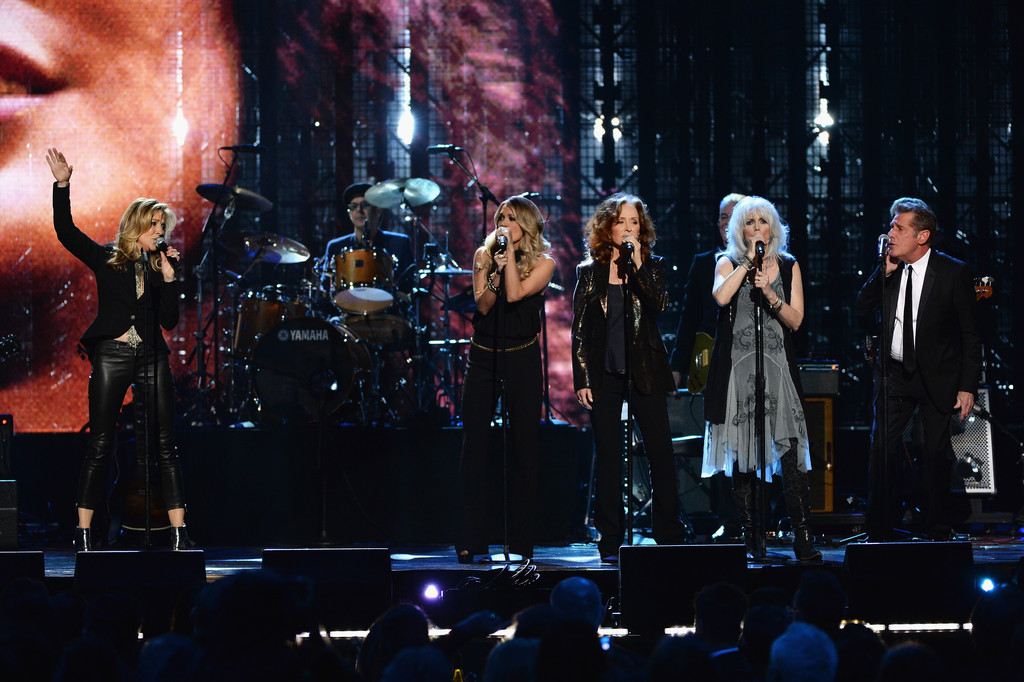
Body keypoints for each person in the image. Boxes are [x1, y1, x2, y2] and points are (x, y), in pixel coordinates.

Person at [47, 148, 189, 552]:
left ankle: (179, 533)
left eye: (163, 225)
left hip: (151, 356)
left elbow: (170, 321)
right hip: (112, 354)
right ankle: (84, 532)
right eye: (155, 224)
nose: (160, 231)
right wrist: (62, 185)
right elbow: (66, 232)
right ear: (137, 225)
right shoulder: (108, 258)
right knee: (101, 443)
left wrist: (169, 278)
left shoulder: (162, 266)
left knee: (165, 443)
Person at [571, 193, 690, 563]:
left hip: (646, 372)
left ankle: (668, 532)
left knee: (660, 454)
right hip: (605, 375)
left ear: (642, 228)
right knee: (608, 457)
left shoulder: (654, 265)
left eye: (634, 222)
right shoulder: (588, 272)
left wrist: (637, 265)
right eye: (621, 221)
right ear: (608, 227)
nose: (628, 227)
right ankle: (609, 540)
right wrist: (583, 378)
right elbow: (579, 331)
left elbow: (659, 305)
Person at [855, 198, 982, 541]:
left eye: (899, 228)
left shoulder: (954, 272)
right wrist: (882, 272)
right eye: (891, 226)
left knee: (933, 452)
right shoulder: (889, 269)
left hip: (937, 376)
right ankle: (879, 527)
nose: (890, 234)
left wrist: (967, 385)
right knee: (881, 449)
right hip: (894, 374)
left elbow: (971, 335)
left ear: (922, 236)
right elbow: (861, 311)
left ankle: (936, 526)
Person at [702, 196, 820, 561]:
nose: (757, 228)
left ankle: (802, 535)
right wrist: (745, 266)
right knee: (744, 454)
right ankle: (752, 534)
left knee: (791, 451)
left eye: (762, 222)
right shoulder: (726, 262)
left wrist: (768, 292)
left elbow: (797, 319)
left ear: (773, 228)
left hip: (777, 368)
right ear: (740, 230)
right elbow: (721, 298)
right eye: (749, 223)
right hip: (738, 371)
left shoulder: (788, 265)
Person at [455, 196, 554, 563]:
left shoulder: (545, 263)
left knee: (523, 449)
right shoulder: (483, 257)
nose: (503, 223)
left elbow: (515, 295)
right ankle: (471, 540)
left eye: (511, 218)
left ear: (526, 226)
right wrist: (494, 266)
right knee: (474, 448)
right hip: (483, 359)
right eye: (500, 217)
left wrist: (508, 260)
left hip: (522, 358)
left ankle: (521, 543)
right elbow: (484, 304)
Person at [670, 192, 746, 541]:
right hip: (713, 362)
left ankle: (754, 518)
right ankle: (728, 520)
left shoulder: (768, 261)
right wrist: (678, 368)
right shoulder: (704, 263)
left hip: (750, 365)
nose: (725, 222)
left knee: (751, 444)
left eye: (733, 215)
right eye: (720, 216)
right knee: (718, 443)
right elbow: (688, 319)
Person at [323, 182, 416, 296]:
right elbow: (326, 286)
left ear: (378, 211)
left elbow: (409, 284)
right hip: (349, 309)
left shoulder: (400, 243)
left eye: (365, 205)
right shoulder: (335, 246)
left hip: (389, 310)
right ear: (349, 213)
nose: (359, 210)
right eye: (353, 206)